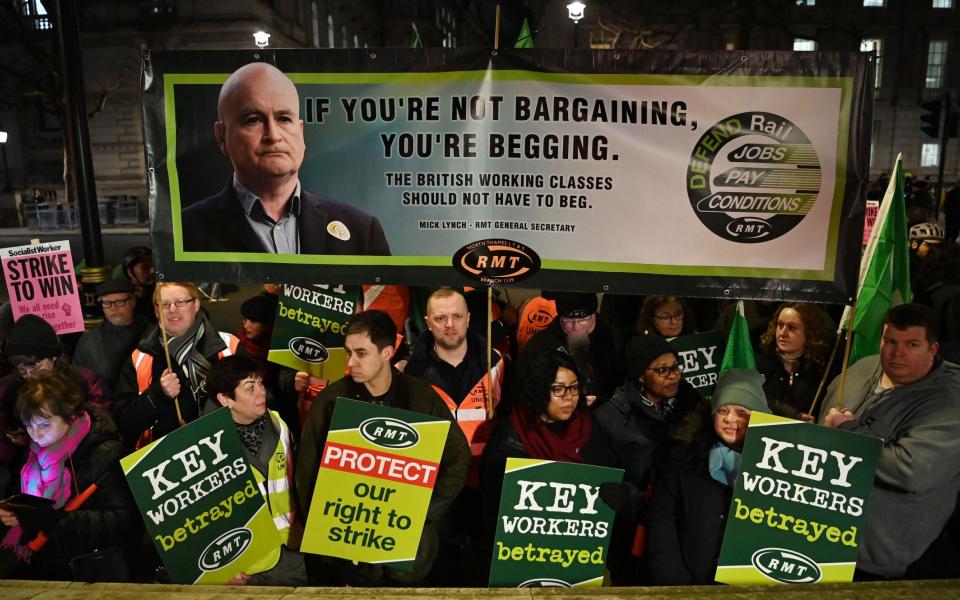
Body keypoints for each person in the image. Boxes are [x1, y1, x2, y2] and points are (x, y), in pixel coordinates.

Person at [295, 310, 469, 586]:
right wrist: (330, 534)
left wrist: (423, 514)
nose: (351, 362)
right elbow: (307, 473)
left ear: (387, 352)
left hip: (409, 560)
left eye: (361, 353)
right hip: (347, 560)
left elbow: (457, 460)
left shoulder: (422, 398)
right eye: (348, 352)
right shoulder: (331, 400)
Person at [181, 62, 390, 256]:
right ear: (221, 137)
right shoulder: (184, 232)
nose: (273, 135)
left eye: (284, 119)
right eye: (253, 120)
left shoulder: (362, 231)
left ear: (300, 132)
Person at [820, 303, 960, 579]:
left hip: (876, 558)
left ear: (932, 349)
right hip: (820, 534)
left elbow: (912, 471)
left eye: (911, 344)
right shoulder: (861, 368)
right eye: (890, 341)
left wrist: (849, 430)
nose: (898, 353)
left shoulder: (949, 401)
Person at [0, 371, 138, 581]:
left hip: (93, 574)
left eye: (45, 425)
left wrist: (61, 522)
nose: (36, 435)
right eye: (29, 425)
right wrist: (14, 513)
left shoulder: (104, 453)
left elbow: (124, 520)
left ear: (70, 415)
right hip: (45, 569)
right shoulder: (31, 454)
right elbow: (20, 497)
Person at [593, 334, 704, 583]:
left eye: (676, 367)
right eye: (662, 370)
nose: (673, 375)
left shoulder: (693, 404)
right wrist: (634, 502)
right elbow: (606, 483)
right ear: (641, 376)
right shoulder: (610, 419)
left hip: (684, 530)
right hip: (633, 534)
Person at [479, 350, 615, 551]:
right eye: (559, 389)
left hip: (578, 552)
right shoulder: (511, 434)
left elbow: (608, 482)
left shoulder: (588, 429)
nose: (569, 398)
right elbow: (493, 503)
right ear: (540, 390)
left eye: (574, 388)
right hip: (523, 551)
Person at [645, 369, 770, 585]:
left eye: (741, 411)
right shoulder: (682, 458)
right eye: (723, 410)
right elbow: (662, 522)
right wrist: (678, 586)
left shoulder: (783, 466)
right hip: (692, 587)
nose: (730, 419)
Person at [206, 355, 306, 586]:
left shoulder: (280, 424)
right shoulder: (207, 446)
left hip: (290, 555)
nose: (261, 392)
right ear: (225, 399)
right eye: (250, 388)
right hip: (242, 565)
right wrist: (220, 570)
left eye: (260, 383)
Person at [112, 282, 240, 448]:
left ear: (195, 304)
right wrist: (158, 394)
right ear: (157, 311)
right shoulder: (140, 358)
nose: (172, 309)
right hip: (168, 459)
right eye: (164, 304)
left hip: (226, 448)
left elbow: (260, 397)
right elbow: (123, 423)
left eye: (180, 302)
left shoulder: (229, 346)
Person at [519, 291, 624, 407]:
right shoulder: (539, 347)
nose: (575, 327)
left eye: (582, 320)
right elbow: (526, 393)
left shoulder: (614, 340)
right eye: (568, 321)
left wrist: (603, 402)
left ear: (594, 314)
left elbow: (624, 386)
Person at [754, 302, 833, 421]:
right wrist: (792, 416)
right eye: (780, 325)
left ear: (809, 332)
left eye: (791, 328)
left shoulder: (822, 369)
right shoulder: (757, 362)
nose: (782, 333)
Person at [73, 279, 150, 391]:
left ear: (133, 301)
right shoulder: (88, 341)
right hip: (104, 407)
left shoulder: (151, 333)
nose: (113, 308)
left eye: (119, 302)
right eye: (107, 303)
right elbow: (78, 382)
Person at [120, 246, 157, 324]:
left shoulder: (161, 292)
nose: (152, 271)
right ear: (130, 272)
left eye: (154, 266)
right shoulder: (123, 298)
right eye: (145, 267)